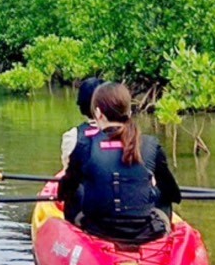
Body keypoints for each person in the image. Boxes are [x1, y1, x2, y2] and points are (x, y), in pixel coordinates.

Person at [58, 81, 183, 246]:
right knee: (163, 194)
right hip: (144, 232)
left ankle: (79, 241)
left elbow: (64, 193)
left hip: (98, 230)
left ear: (98, 113)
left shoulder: (84, 145)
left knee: (76, 191)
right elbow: (174, 195)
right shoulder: (151, 144)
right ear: (129, 111)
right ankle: (162, 243)